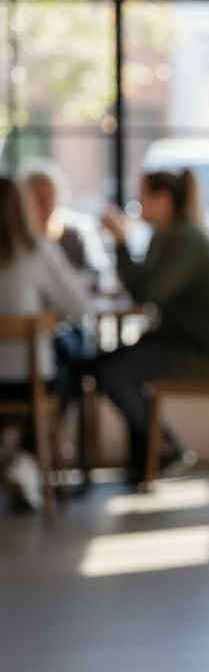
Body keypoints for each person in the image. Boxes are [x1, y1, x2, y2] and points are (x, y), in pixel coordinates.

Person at [90, 168, 209, 487]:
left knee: (113, 371)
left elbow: (147, 292)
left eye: (143, 197)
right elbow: (147, 288)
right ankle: (146, 462)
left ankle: (166, 450)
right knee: (112, 365)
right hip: (181, 343)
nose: (137, 205)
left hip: (204, 353)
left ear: (164, 200)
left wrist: (123, 242)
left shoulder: (184, 239)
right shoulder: (171, 236)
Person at [0, 175, 92, 512]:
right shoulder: (36, 249)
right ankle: (28, 459)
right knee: (67, 365)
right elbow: (81, 308)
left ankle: (18, 456)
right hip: (28, 382)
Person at [21, 167, 101, 422]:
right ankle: (46, 436)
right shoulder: (25, 247)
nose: (45, 205)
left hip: (63, 327)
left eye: (49, 197)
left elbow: (89, 281)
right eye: (38, 198)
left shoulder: (70, 237)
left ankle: (52, 432)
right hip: (29, 342)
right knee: (62, 360)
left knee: (72, 355)